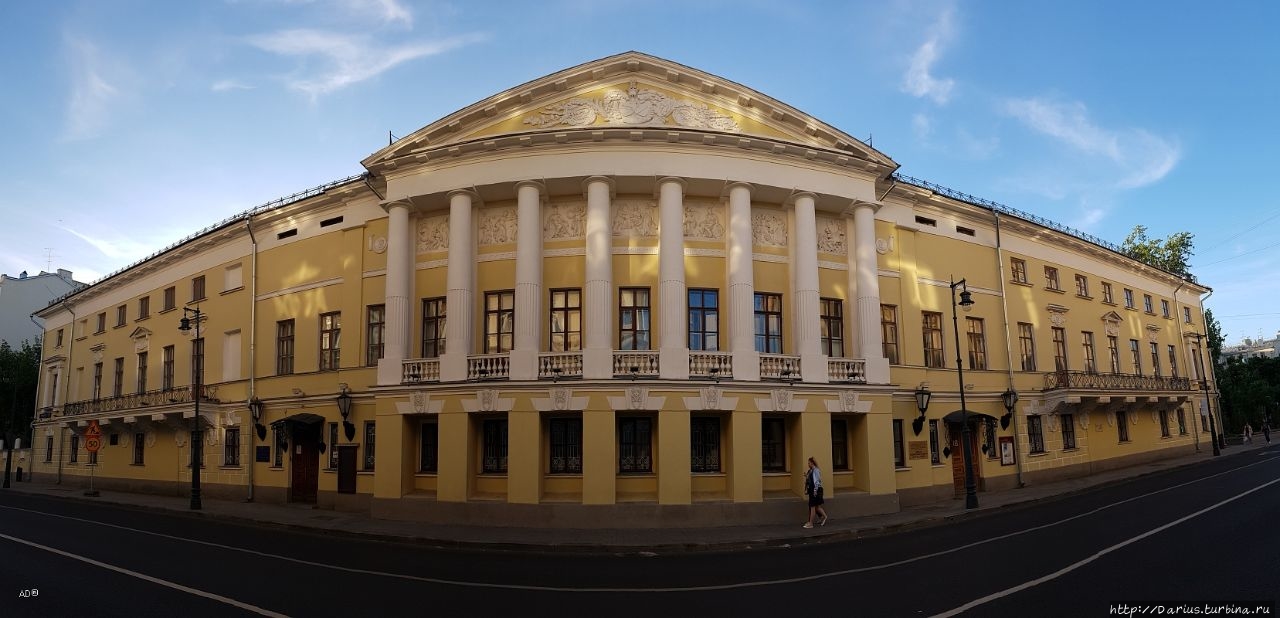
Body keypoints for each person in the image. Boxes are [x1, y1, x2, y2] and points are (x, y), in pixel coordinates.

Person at [803, 456, 828, 529]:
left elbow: (817, 481)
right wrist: (807, 477)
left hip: (815, 490)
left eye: (809, 463)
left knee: (813, 507)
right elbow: (811, 480)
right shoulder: (811, 470)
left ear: (812, 463)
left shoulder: (815, 470)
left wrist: (815, 491)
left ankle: (811, 523)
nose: (808, 464)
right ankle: (822, 517)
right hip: (813, 490)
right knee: (816, 507)